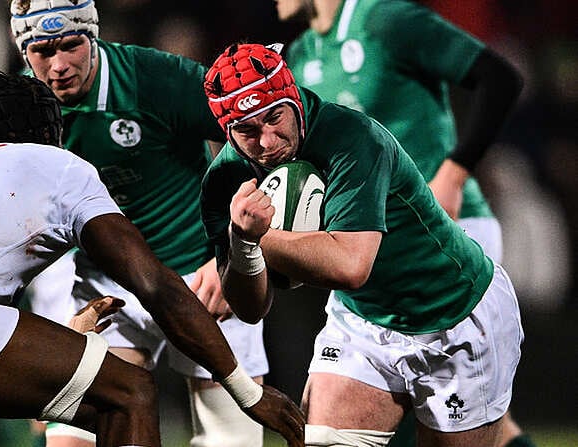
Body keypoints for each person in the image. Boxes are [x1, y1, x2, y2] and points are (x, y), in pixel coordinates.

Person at [0, 71, 305, 447]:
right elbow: (156, 286)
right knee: (128, 391)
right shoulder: (57, 164)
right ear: (52, 129)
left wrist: (62, 341)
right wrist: (247, 391)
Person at [200, 43, 524, 447]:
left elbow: (351, 267)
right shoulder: (225, 180)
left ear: (294, 99)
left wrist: (258, 237)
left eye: (274, 117)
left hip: (453, 311)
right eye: (247, 130)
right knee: (320, 442)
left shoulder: (352, 138)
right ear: (226, 131)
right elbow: (250, 308)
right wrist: (241, 244)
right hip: (363, 321)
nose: (267, 142)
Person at [9, 1, 269, 446]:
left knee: (232, 437)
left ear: (93, 35)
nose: (59, 65)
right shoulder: (21, 109)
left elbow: (261, 137)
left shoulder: (155, 78)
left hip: (199, 275)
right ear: (22, 50)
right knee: (74, 439)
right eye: (42, 51)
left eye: (71, 45)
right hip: (105, 285)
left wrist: (230, 252)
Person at [273, 1, 531, 445]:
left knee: (452, 412)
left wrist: (454, 172)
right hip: (370, 246)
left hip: (449, 234)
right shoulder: (299, 54)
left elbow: (500, 78)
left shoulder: (386, 20)